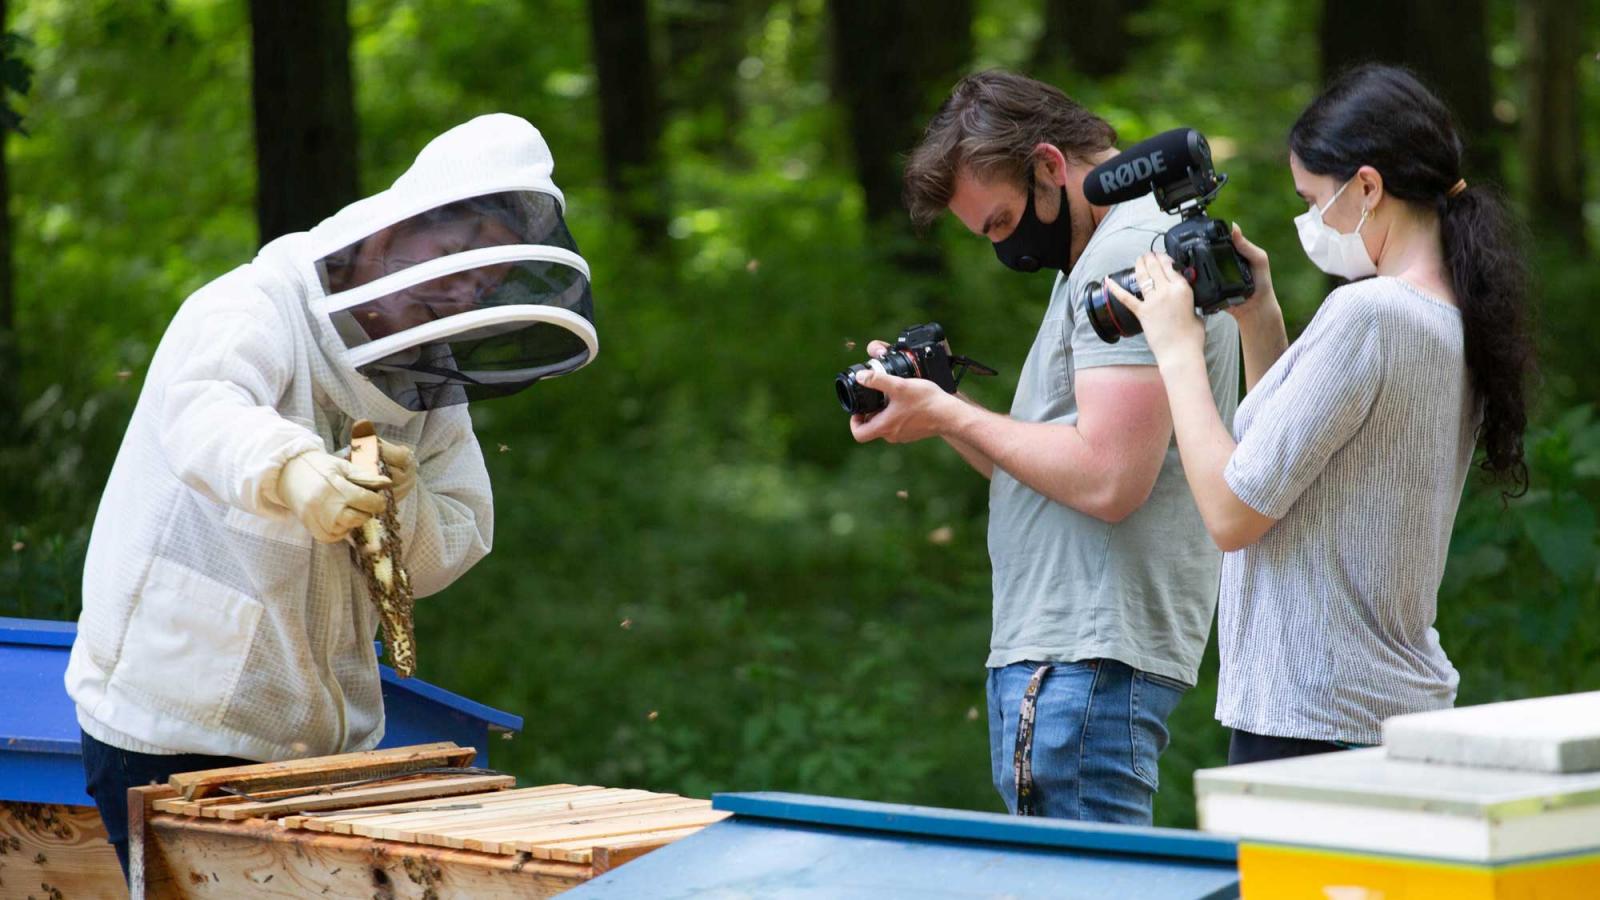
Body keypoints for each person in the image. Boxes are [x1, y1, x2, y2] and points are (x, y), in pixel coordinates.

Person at [65, 113, 598, 876]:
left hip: (327, 740)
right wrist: (293, 471)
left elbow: (458, 534)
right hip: (170, 720)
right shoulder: (252, 306)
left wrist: (403, 504)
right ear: (389, 236)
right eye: (450, 257)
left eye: (483, 279)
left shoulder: (430, 379)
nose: (462, 288)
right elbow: (201, 411)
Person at [1105, 64, 1533, 764]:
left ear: (1367, 186)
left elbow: (1234, 511)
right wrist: (1259, 319)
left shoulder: (1368, 314)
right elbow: (1292, 464)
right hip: (1379, 716)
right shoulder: (1448, 314)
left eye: (1312, 198)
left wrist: (1178, 347)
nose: (1310, 220)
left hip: (1312, 718)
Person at [851, 70, 1240, 823]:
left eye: (999, 223)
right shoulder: (1092, 260)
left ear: (1050, 167)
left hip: (1082, 658)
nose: (1004, 247)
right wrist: (937, 406)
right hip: (1067, 656)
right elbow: (1056, 461)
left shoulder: (1131, 253)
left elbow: (1107, 480)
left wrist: (950, 416)